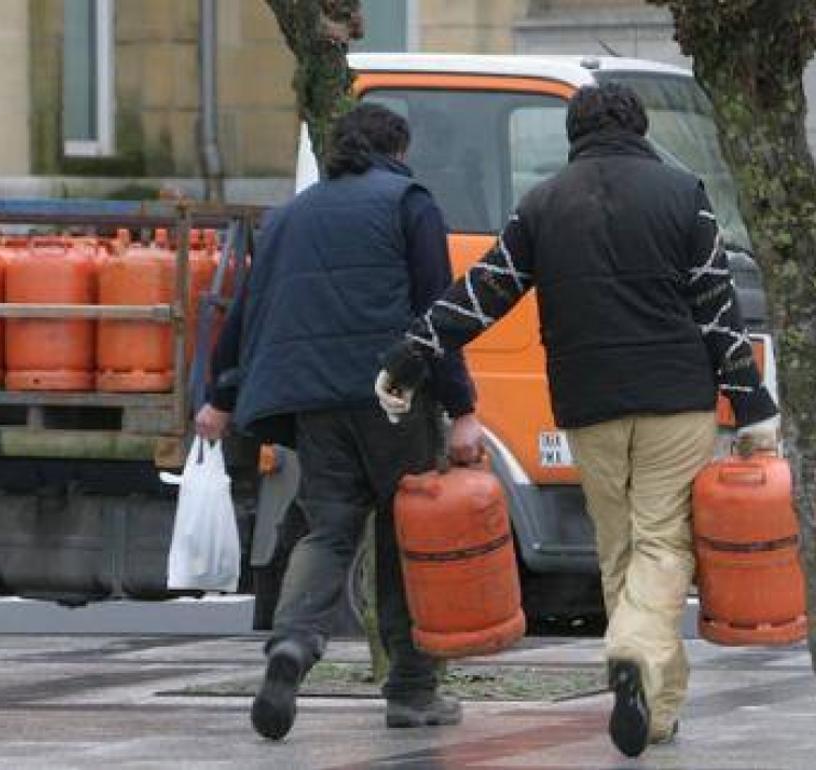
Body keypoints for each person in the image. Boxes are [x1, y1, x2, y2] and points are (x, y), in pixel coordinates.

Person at [377, 83, 780, 758]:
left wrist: (412, 353)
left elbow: (484, 290)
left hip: (587, 404)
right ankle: (629, 651)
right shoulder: (684, 195)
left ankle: (653, 712)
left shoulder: (542, 204)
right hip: (675, 399)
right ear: (641, 127)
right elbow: (717, 310)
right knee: (663, 545)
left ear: (573, 134)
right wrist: (752, 406)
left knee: (620, 549)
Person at [194, 103, 485, 740]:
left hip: (317, 405)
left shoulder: (291, 215)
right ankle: (411, 692)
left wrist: (218, 392)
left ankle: (293, 644)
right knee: (408, 539)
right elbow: (439, 314)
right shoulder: (410, 202)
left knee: (328, 531)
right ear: (397, 150)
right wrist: (462, 408)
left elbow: (245, 310)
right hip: (395, 397)